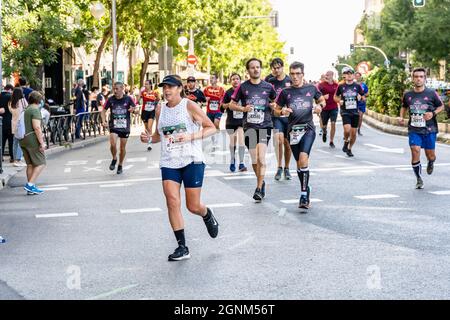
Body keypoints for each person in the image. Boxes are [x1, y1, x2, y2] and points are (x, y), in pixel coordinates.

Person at [139, 75, 218, 261]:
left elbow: (211, 127)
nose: (167, 90)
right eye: (164, 87)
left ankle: (207, 214)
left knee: (193, 206)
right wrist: (149, 138)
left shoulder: (189, 106)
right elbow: (160, 135)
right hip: (169, 161)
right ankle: (182, 247)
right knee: (172, 200)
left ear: (179, 88)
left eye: (171, 87)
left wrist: (190, 136)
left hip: (192, 160)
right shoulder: (160, 109)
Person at [275, 62, 325, 209]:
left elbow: (322, 101)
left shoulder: (311, 88)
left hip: (308, 128)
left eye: (298, 74)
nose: (295, 77)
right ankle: (306, 187)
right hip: (292, 131)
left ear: (303, 74)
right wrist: (282, 112)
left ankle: (303, 195)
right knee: (299, 164)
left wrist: (319, 107)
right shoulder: (285, 92)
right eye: (292, 74)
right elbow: (276, 110)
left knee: (304, 159)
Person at [230, 58, 277, 202]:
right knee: (255, 159)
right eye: (252, 67)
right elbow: (231, 105)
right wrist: (243, 108)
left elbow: (274, 102)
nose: (255, 69)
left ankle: (258, 188)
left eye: (258, 67)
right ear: (248, 70)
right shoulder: (243, 87)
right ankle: (261, 182)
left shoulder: (268, 87)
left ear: (261, 69)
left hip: (264, 125)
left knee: (261, 158)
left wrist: (274, 106)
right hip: (249, 127)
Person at [398, 67, 444, 189]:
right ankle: (418, 178)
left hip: (430, 129)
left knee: (431, 155)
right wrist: (401, 117)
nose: (418, 79)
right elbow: (403, 106)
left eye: (421, 77)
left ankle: (431, 162)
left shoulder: (431, 93)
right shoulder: (408, 94)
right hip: (414, 129)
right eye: (416, 76)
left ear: (425, 79)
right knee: (415, 150)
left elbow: (441, 106)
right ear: (413, 78)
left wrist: (432, 113)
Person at [101, 82, 138, 174]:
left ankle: (120, 164)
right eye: (114, 89)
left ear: (122, 89)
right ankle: (114, 158)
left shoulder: (128, 99)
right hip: (114, 126)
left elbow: (136, 110)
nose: (115, 91)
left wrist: (133, 110)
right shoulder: (110, 99)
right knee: (113, 143)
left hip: (125, 127)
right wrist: (104, 121)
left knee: (122, 148)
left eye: (117, 89)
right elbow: (103, 110)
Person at [267, 58, 292, 181]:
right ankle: (279, 167)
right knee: (278, 140)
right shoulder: (269, 80)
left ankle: (287, 167)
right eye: (274, 68)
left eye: (278, 67)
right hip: (276, 115)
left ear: (283, 67)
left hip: (289, 117)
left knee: (287, 144)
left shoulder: (290, 80)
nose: (276, 70)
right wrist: (269, 103)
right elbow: (264, 95)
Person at [334, 67, 365, 157]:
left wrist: (361, 98)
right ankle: (346, 141)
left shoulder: (357, 86)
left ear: (353, 75)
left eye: (350, 73)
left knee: (354, 133)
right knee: (347, 130)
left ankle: (349, 148)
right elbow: (335, 97)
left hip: (355, 112)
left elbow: (364, 97)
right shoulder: (341, 86)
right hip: (345, 111)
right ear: (344, 75)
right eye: (347, 74)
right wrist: (339, 101)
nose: (349, 75)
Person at [19, 91, 47, 195]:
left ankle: (31, 187)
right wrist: (42, 143)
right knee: (41, 162)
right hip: (32, 139)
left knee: (30, 164)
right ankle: (30, 184)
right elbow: (37, 127)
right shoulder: (35, 110)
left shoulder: (26, 109)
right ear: (39, 100)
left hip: (23, 138)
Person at [220, 73, 247, 172]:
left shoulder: (244, 92)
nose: (235, 81)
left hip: (242, 121)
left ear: (240, 80)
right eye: (233, 79)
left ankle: (241, 163)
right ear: (231, 81)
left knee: (241, 142)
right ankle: (232, 160)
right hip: (231, 122)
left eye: (237, 79)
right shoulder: (228, 93)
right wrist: (230, 105)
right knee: (232, 143)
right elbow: (222, 106)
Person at [318, 70, 339, 148]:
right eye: (326, 74)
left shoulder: (336, 85)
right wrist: (323, 97)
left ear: (332, 75)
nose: (326, 76)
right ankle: (324, 132)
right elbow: (317, 96)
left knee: (333, 123)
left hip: (334, 107)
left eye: (328, 75)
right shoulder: (321, 85)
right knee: (324, 125)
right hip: (325, 108)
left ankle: (331, 141)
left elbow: (339, 95)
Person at [8, 87, 28, 167]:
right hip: (21, 124)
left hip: (14, 123)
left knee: (15, 142)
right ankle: (18, 160)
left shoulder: (10, 102)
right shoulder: (22, 101)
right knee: (21, 142)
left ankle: (15, 159)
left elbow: (11, 112)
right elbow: (26, 109)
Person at [203, 74, 225, 149]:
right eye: (210, 78)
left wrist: (220, 101)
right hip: (209, 110)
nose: (211, 79)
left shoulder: (221, 89)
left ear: (216, 79)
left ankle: (217, 138)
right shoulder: (206, 89)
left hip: (218, 110)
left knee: (216, 123)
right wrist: (206, 99)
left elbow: (223, 98)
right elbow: (203, 99)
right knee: (211, 126)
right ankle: (213, 141)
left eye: (213, 78)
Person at [140, 80, 160, 151]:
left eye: (147, 84)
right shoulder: (143, 92)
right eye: (145, 84)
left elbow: (158, 99)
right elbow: (138, 99)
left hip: (151, 112)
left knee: (149, 127)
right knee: (146, 128)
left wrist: (155, 104)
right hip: (144, 112)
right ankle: (148, 138)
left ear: (150, 85)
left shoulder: (155, 93)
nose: (145, 85)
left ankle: (149, 143)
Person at [0, 85, 14, 163]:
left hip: (1, 122)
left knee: (1, 140)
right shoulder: (10, 96)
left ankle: (1, 156)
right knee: (11, 140)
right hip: (10, 121)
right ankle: (12, 157)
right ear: (9, 90)